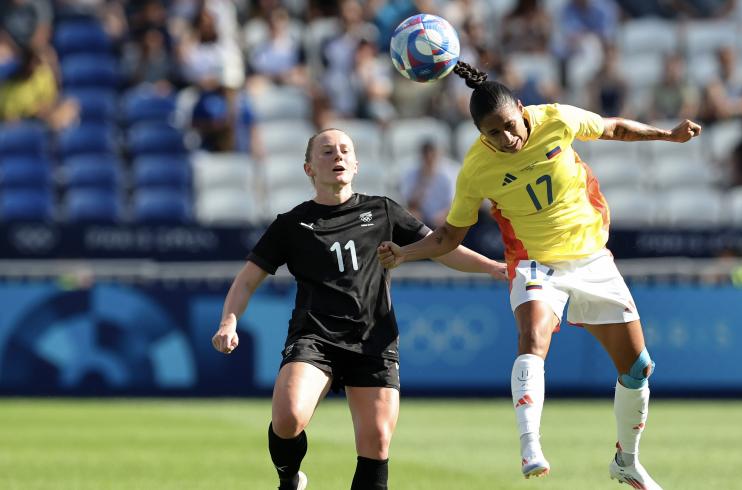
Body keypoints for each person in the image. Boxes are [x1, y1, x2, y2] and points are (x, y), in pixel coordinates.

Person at [378, 61, 701, 489]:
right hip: (535, 262)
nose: (506, 138)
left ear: (522, 110)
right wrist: (405, 254)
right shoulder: (476, 169)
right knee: (533, 337)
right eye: (493, 133)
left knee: (638, 368)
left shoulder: (557, 119)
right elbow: (448, 235)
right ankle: (530, 444)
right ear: (480, 134)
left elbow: (614, 128)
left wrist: (668, 135)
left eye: (510, 126)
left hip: (591, 260)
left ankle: (626, 461)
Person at [211, 128, 505, 490]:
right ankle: (289, 478)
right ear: (308, 169)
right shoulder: (291, 224)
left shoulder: (381, 210)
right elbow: (246, 279)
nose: (337, 156)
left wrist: (493, 267)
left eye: (344, 150)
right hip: (314, 336)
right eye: (327, 151)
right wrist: (229, 321)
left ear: (355, 164)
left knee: (377, 442)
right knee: (287, 419)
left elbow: (440, 246)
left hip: (373, 341)